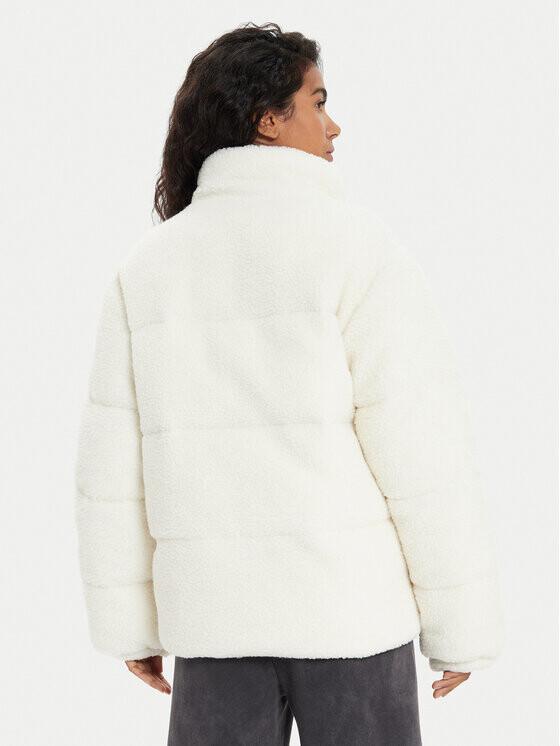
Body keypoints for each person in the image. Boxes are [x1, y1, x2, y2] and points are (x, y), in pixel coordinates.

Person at [74, 21, 504, 746]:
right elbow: (420, 455)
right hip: (349, 617)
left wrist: (130, 625)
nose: (334, 125)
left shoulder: (149, 267)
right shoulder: (357, 249)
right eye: (318, 102)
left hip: (215, 624)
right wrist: (461, 626)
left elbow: (112, 474)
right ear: (267, 119)